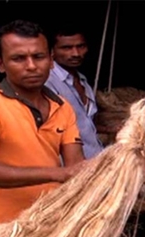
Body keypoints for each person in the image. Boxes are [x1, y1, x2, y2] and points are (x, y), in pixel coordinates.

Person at [0, 20, 85, 235]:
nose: (32, 66)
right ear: (1, 64)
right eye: (19, 58)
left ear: (51, 61)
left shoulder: (62, 107)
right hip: (0, 236)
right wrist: (58, 174)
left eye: (39, 57)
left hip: (51, 229)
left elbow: (77, 169)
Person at [45, 26, 104, 159]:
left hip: (96, 159)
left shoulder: (83, 81)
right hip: (69, 166)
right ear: (52, 51)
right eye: (66, 48)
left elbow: (85, 124)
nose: (76, 53)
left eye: (80, 46)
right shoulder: (47, 83)